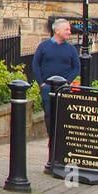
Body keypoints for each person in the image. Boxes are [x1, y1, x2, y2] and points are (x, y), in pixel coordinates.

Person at [32, 18, 81, 148]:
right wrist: (42, 83)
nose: (69, 32)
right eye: (67, 29)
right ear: (57, 30)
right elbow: (36, 65)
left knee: (63, 117)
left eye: (69, 29)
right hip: (47, 88)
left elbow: (76, 67)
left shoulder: (71, 49)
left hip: (64, 89)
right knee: (49, 116)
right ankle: (51, 141)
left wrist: (67, 82)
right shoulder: (44, 46)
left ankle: (60, 144)